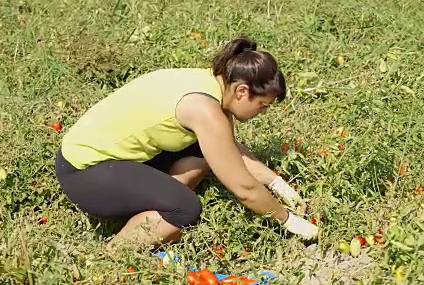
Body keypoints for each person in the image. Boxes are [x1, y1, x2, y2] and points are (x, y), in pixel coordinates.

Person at [54, 36, 319, 253]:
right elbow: (245, 188)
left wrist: (275, 183)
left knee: (203, 152)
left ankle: (154, 211)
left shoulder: (211, 82)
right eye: (262, 105)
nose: (261, 112)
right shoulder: (204, 110)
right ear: (242, 91)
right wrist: (287, 219)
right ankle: (112, 255)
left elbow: (229, 150)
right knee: (186, 208)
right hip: (85, 171)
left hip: (104, 159)